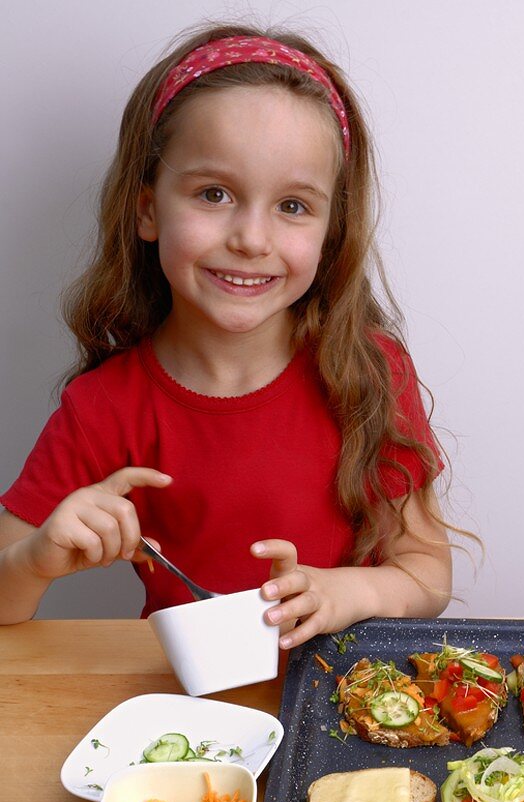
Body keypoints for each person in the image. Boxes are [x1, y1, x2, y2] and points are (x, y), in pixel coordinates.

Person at [0, 23, 453, 649]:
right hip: (185, 715)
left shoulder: (371, 372)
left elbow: (428, 574)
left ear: (330, 231)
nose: (251, 239)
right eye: (215, 194)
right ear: (149, 209)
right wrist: (35, 560)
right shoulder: (104, 407)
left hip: (346, 700)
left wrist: (348, 592)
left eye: (293, 205)